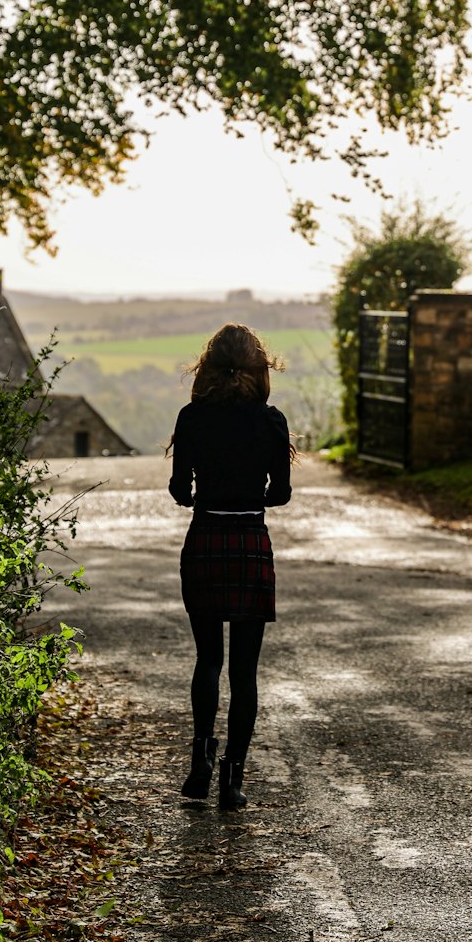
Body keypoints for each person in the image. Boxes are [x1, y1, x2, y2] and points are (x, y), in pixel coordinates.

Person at [168, 323, 293, 810]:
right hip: (249, 543)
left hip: (205, 538)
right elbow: (280, 493)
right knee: (244, 672)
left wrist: (204, 495)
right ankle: (233, 780)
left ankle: (200, 759)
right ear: (260, 369)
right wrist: (251, 495)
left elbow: (181, 492)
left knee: (207, 660)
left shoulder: (192, 417)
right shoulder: (271, 421)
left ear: (207, 367)